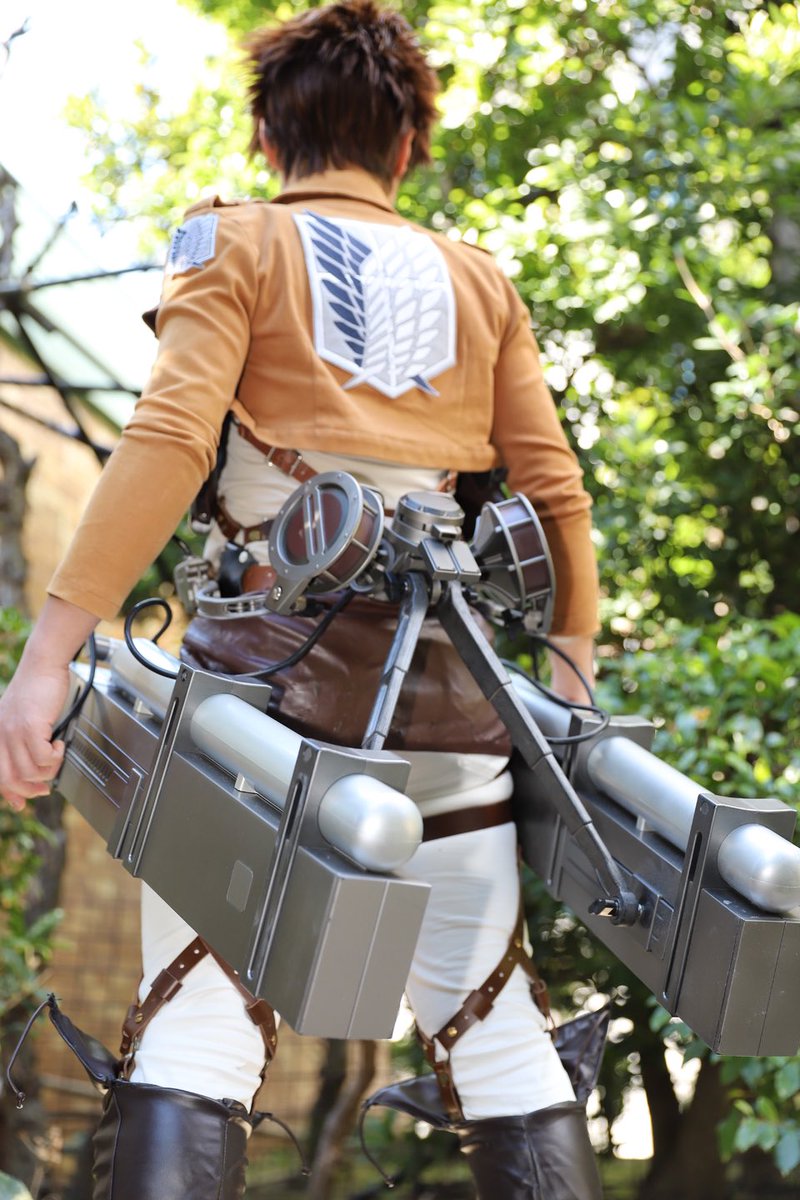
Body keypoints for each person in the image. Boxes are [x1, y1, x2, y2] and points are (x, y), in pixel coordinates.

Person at [0, 3, 604, 1197]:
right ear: (405, 148)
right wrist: (569, 693)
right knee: (497, 1041)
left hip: (260, 715)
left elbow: (172, 437)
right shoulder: (480, 281)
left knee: (199, 1029)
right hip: (450, 717)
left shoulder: (232, 240)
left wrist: (46, 655)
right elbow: (553, 492)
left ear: (269, 139)